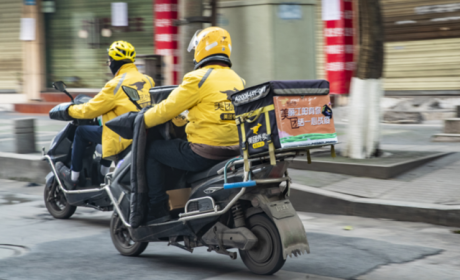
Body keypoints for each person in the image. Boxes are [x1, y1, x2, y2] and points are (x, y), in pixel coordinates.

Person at [143, 27, 245, 224]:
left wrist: (141, 120)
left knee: (153, 150)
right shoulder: (237, 79)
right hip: (235, 150)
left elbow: (167, 109)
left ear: (202, 48)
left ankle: (157, 208)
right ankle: (181, 202)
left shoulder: (198, 78)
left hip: (205, 152)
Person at [55, 41, 154, 190]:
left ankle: (73, 177)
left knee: (82, 132)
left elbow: (91, 109)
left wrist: (68, 111)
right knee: (105, 130)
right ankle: (101, 175)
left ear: (114, 62)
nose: (109, 64)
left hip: (123, 135)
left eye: (109, 61)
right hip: (142, 131)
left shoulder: (115, 84)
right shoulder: (148, 80)